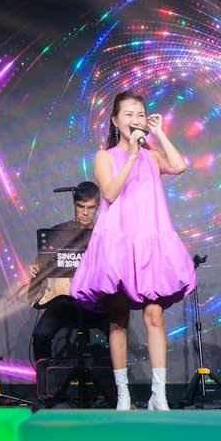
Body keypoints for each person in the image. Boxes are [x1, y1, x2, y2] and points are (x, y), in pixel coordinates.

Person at [69, 92, 196, 410]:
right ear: (115, 120)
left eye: (140, 114)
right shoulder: (105, 156)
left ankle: (158, 395)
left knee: (155, 314)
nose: (136, 120)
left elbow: (179, 166)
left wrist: (160, 134)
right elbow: (110, 193)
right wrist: (131, 156)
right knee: (118, 318)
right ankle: (123, 395)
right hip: (119, 244)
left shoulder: (152, 157)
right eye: (128, 114)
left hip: (150, 241)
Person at [27, 182, 107, 402]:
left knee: (118, 331)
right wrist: (36, 269)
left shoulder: (105, 234)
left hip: (95, 302)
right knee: (41, 336)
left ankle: (112, 389)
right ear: (74, 205)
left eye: (90, 208)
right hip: (63, 303)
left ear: (98, 206)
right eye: (81, 207)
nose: (85, 212)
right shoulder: (58, 233)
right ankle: (48, 390)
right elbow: (42, 264)